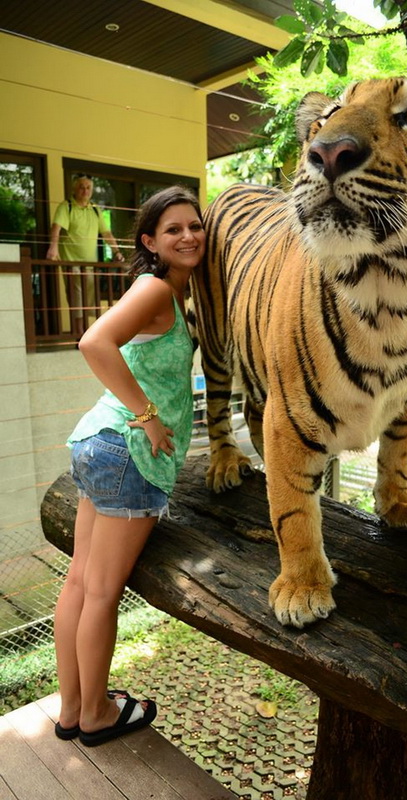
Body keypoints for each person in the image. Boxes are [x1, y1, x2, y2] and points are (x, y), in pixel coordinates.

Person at [53, 185, 205, 747]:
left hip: (99, 445)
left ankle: (72, 709)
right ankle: (95, 714)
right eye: (173, 230)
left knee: (79, 585)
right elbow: (94, 343)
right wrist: (148, 414)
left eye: (195, 225)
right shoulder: (155, 287)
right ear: (149, 241)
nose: (188, 235)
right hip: (127, 451)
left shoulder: (172, 293)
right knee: (99, 595)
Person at [46, 174, 125, 338]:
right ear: (74, 189)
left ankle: (88, 332)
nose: (85, 190)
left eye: (88, 187)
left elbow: (106, 232)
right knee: (77, 293)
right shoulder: (66, 206)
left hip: (90, 264)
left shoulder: (95, 210)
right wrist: (53, 248)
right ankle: (80, 332)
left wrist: (116, 251)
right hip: (71, 261)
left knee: (88, 296)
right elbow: (56, 227)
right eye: (81, 187)